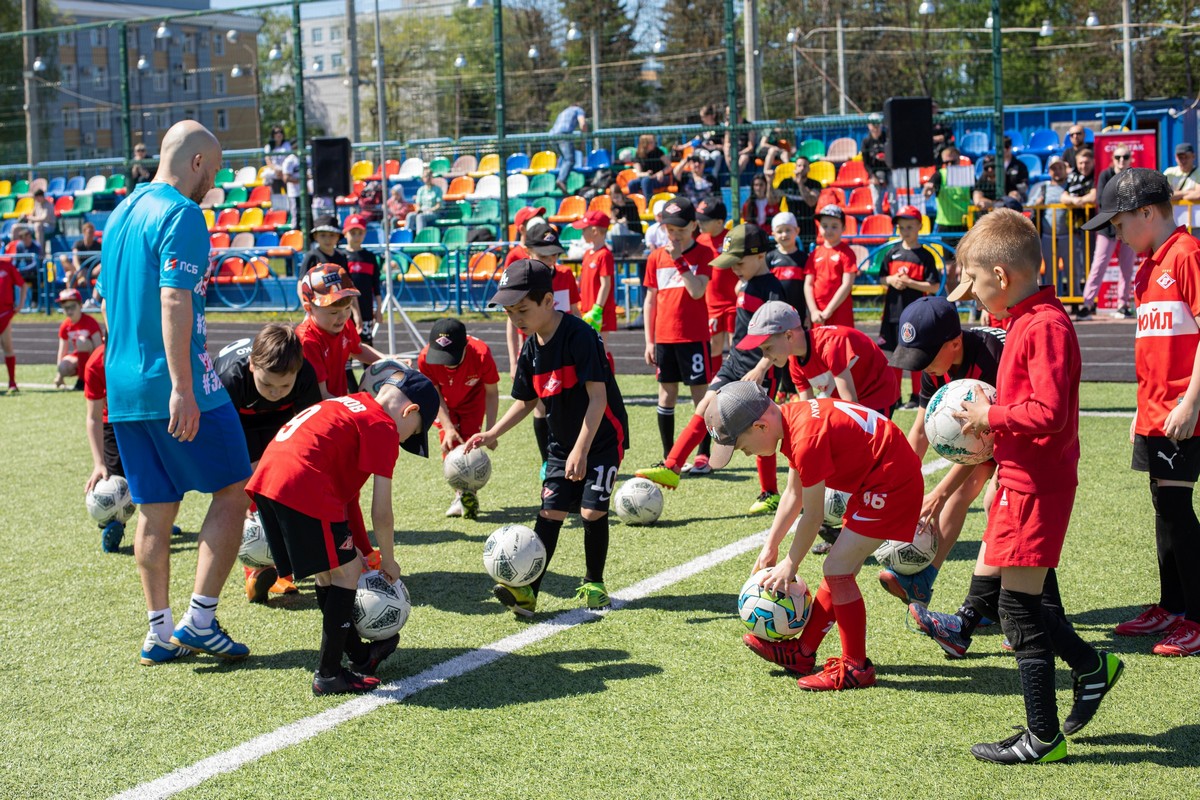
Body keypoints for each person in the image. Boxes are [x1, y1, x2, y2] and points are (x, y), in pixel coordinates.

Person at [910, 209, 1121, 763]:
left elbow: (1047, 411)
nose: (973, 295)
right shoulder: (1024, 320)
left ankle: (1043, 736)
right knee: (1019, 602)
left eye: (977, 283)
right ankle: (1092, 669)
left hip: (1038, 481)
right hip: (1018, 476)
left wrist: (991, 416)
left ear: (1001, 277)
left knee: (1018, 608)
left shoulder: (1044, 325)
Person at [97, 120, 254, 665]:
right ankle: (202, 620)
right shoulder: (182, 213)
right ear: (194, 163)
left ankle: (159, 631)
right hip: (175, 382)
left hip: (125, 386)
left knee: (155, 509)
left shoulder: (120, 213)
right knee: (235, 485)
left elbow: (109, 302)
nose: (214, 181)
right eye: (212, 169)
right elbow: (172, 300)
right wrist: (183, 387)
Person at [713, 382, 923, 691]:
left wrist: (790, 563)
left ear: (761, 425)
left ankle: (855, 668)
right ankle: (802, 652)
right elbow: (792, 494)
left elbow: (812, 516)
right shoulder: (793, 419)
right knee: (841, 567)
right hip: (880, 478)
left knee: (836, 568)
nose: (746, 454)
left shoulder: (805, 439)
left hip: (891, 482)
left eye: (743, 447)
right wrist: (770, 548)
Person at [246, 364, 439, 695]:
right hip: (300, 482)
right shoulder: (383, 427)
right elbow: (383, 512)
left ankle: (359, 656)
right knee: (345, 573)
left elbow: (348, 499)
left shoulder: (352, 404)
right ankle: (329, 673)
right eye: (413, 432)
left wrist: (363, 551)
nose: (405, 438)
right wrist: (389, 561)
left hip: (269, 479)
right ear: (411, 410)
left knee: (330, 573)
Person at [466, 259, 630, 616]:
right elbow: (526, 401)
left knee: (590, 510)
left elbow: (598, 399)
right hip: (561, 443)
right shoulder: (530, 349)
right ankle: (528, 592)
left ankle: (594, 583)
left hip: (601, 438)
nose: (516, 319)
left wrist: (582, 450)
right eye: (510, 313)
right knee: (551, 511)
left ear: (548, 301)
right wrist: (493, 432)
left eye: (522, 309)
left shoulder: (580, 336)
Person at [1084, 168, 1200, 656]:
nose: (1116, 233)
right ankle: (1171, 605)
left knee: (1175, 507)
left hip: (1181, 410)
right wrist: (1140, 406)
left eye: (1119, 222)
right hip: (1154, 410)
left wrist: (1193, 400)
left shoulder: (1187, 255)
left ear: (1148, 213)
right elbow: (1154, 345)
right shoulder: (1151, 264)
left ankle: (1195, 616)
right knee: (1162, 504)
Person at [637, 224, 787, 515]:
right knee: (706, 406)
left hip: (758, 367)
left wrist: (762, 366)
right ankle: (672, 466)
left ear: (759, 256)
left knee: (761, 427)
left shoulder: (772, 290)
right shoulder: (747, 282)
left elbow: (780, 335)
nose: (734, 270)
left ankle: (770, 492)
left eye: (738, 263)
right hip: (735, 361)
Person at [880, 296, 1005, 606]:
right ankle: (923, 581)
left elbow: (986, 444)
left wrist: (938, 493)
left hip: (1020, 429)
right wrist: (900, 486)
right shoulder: (935, 364)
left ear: (955, 342)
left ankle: (1004, 599)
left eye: (924, 356)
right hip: (987, 435)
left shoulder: (993, 358)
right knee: (960, 495)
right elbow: (921, 430)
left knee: (994, 501)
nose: (920, 366)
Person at [213, 325, 321, 601]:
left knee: (286, 486)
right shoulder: (229, 379)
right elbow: (221, 444)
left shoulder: (305, 374)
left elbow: (309, 431)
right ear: (252, 366)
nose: (275, 391)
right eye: (268, 384)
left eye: (284, 385)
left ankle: (285, 565)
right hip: (236, 421)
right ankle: (257, 569)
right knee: (247, 495)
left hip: (281, 418)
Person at [641, 197, 715, 461]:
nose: (674, 235)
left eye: (681, 230)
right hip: (664, 338)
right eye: (670, 230)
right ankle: (669, 455)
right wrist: (649, 341)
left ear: (694, 226)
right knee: (666, 394)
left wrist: (679, 261)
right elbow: (650, 301)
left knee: (700, 395)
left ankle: (703, 454)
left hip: (693, 337)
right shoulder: (654, 258)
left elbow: (697, 291)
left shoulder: (704, 254)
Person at [744, 301, 899, 419]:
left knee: (863, 452)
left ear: (789, 336)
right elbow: (809, 410)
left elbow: (852, 405)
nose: (765, 356)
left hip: (878, 394)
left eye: (768, 348)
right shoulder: (795, 362)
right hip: (851, 400)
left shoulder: (830, 345)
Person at [417, 318, 500, 519]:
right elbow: (433, 394)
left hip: (473, 399)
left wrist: (490, 431)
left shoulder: (481, 354)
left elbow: (491, 392)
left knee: (471, 442)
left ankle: (468, 493)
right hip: (444, 402)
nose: (447, 363)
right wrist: (447, 426)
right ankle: (460, 494)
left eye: (452, 357)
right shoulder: (425, 358)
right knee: (450, 441)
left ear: (465, 346)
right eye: (442, 357)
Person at [877, 206, 940, 408]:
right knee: (895, 356)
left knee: (915, 355)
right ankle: (894, 397)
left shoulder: (926, 256)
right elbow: (881, 278)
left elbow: (934, 286)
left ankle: (916, 396)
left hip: (916, 315)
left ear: (919, 226)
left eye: (910, 227)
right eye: (902, 227)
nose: (905, 231)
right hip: (893, 314)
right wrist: (892, 280)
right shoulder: (892, 252)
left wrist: (909, 282)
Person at [296, 263, 385, 399]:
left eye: (347, 308)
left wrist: (388, 360)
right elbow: (321, 394)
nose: (343, 316)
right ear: (309, 309)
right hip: (318, 410)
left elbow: (357, 349)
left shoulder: (343, 324)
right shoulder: (307, 340)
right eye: (333, 312)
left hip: (336, 400)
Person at [1076, 145, 1135, 320]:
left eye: (1125, 157)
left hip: (1128, 227)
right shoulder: (1105, 175)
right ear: (1113, 159)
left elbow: (1136, 199)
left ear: (1130, 158)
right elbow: (1103, 200)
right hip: (1107, 227)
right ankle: (1087, 304)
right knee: (1098, 266)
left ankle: (1122, 304)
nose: (1121, 161)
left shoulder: (1133, 175)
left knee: (1126, 268)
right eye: (1118, 157)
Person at [696, 198, 734, 377]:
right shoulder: (700, 240)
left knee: (735, 345)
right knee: (714, 346)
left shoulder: (731, 238)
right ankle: (715, 382)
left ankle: (736, 383)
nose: (699, 223)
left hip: (734, 303)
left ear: (719, 222)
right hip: (711, 303)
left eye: (704, 220)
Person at [804, 205, 857, 329]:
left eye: (834, 226)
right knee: (819, 346)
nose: (828, 230)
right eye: (825, 225)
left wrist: (829, 310)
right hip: (818, 314)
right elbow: (808, 284)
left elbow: (847, 284)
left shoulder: (847, 253)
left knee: (841, 344)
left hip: (840, 312)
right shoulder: (814, 254)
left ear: (843, 228)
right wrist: (813, 311)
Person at [1027, 156, 1076, 289]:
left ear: (1065, 169)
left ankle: (1076, 301)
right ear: (1049, 171)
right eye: (1054, 168)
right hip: (1048, 236)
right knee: (1050, 271)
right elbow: (1029, 204)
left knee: (1072, 270)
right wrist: (1037, 203)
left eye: (1060, 168)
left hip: (1068, 235)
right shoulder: (1043, 188)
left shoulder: (1071, 186)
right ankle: (1052, 300)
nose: (1057, 171)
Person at [341, 215, 383, 346]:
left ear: (364, 234)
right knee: (344, 347)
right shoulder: (341, 257)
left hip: (366, 308)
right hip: (344, 310)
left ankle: (369, 368)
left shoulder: (370, 257)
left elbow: (376, 286)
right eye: (352, 232)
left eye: (360, 232)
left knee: (365, 344)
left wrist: (379, 309)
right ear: (345, 234)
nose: (356, 236)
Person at [574, 210, 617, 336]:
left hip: (599, 311)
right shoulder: (588, 253)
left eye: (584, 229)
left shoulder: (605, 255)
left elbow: (606, 284)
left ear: (594, 231)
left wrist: (597, 309)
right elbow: (581, 280)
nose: (582, 233)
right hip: (587, 310)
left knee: (601, 348)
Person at [52, 288, 102, 390]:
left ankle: (83, 380)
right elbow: (62, 351)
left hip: (93, 357)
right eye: (66, 308)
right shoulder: (65, 325)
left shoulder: (90, 322)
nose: (69, 311)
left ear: (80, 305)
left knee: (81, 341)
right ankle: (82, 376)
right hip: (80, 358)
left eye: (72, 307)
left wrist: (100, 370)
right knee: (63, 366)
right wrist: (59, 375)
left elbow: (99, 347)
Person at [922, 145, 971, 244]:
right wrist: (928, 190)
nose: (949, 165)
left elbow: (977, 192)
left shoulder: (967, 174)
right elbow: (928, 191)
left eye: (953, 162)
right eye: (946, 163)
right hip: (945, 225)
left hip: (965, 224)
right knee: (948, 259)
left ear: (959, 160)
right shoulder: (939, 174)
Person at [775, 156, 822, 249]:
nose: (802, 168)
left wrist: (800, 184)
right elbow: (773, 200)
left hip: (808, 224)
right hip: (791, 224)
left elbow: (811, 202)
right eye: (799, 166)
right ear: (795, 168)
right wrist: (769, 182)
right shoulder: (786, 182)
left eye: (805, 166)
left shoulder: (815, 184)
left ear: (809, 169)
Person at [0, 245, 27, 392]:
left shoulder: (7, 266)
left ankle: (12, 382)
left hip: (4, 314)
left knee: (7, 346)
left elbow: (23, 285)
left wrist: (21, 304)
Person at [549, 104, 587, 194]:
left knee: (565, 159)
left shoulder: (563, 112)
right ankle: (561, 180)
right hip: (563, 135)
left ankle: (563, 178)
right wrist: (584, 138)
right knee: (570, 160)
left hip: (551, 136)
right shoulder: (579, 110)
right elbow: (583, 123)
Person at [64, 221, 102, 299]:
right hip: (79, 272)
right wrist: (80, 270)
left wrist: (93, 271)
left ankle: (94, 301)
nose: (91, 234)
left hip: (93, 272)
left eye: (92, 232)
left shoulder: (98, 245)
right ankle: (70, 299)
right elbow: (75, 258)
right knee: (68, 273)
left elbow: (104, 260)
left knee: (102, 274)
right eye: (89, 232)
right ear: (84, 233)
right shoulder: (78, 244)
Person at [1165, 143, 1200, 226]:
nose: (1183, 161)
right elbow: (1166, 195)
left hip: (1195, 222)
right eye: (1180, 157)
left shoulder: (1198, 172)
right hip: (1174, 223)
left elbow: (1198, 194)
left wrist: (1176, 195)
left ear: (1193, 156)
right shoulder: (1169, 173)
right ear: (1176, 158)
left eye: (1186, 157)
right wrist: (1187, 192)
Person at [503, 205, 547, 270]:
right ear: (522, 229)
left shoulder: (548, 249)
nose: (540, 227)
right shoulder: (514, 255)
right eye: (535, 224)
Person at [632, 134, 672, 203]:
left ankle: (649, 205)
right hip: (646, 177)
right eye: (651, 142)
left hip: (660, 178)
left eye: (654, 141)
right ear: (645, 144)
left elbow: (669, 166)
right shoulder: (638, 154)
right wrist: (646, 174)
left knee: (646, 181)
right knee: (632, 184)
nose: (654, 143)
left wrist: (661, 172)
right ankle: (634, 204)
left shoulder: (658, 152)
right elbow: (638, 173)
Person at [406, 167, 442, 233]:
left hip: (433, 213)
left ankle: (420, 237)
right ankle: (407, 236)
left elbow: (438, 205)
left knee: (420, 217)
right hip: (422, 211)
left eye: (429, 176)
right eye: (425, 176)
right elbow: (418, 204)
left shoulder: (437, 189)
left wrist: (430, 210)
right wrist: (419, 209)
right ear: (423, 178)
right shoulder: (421, 190)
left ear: (432, 177)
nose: (427, 178)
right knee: (410, 216)